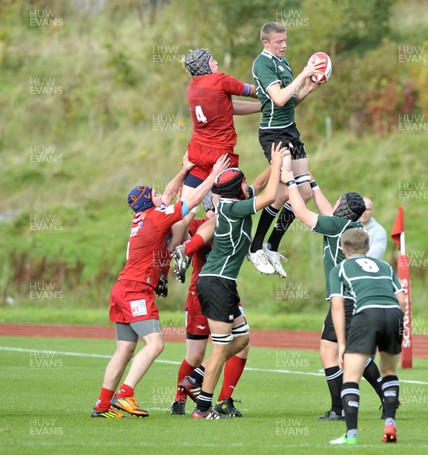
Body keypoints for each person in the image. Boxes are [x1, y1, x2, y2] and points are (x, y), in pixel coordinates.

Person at [91, 154, 229, 419]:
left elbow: (167, 195)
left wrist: (185, 170)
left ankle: (102, 404)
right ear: (149, 202)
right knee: (155, 345)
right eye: (154, 193)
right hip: (136, 290)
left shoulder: (144, 217)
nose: (160, 194)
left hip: (122, 288)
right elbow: (193, 200)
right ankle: (125, 395)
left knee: (125, 349)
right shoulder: (157, 218)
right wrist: (213, 175)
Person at [190, 143, 286, 419]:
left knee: (241, 338)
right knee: (220, 347)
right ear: (238, 190)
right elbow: (268, 196)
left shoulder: (237, 200)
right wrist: (278, 166)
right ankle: (203, 408)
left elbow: (259, 183)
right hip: (216, 282)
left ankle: (197, 376)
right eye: (243, 182)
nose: (248, 184)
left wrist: (277, 160)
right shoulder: (234, 208)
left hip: (223, 283)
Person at [281, 166, 385, 421]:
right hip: (353, 297)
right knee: (334, 351)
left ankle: (361, 403)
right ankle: (351, 405)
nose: (335, 201)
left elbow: (302, 213)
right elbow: (328, 210)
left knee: (347, 353)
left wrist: (290, 181)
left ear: (343, 208)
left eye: (339, 200)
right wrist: (313, 184)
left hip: (346, 299)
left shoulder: (337, 225)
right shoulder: (348, 224)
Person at [246, 21, 321, 278]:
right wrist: (303, 74)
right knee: (285, 189)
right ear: (266, 43)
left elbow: (290, 102)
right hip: (273, 134)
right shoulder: (262, 63)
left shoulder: (283, 62)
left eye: (285, 40)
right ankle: (255, 248)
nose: (284, 45)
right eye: (279, 42)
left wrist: (308, 89)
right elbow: (277, 99)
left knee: (304, 192)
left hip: (291, 131)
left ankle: (271, 245)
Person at [173, 48, 261, 246]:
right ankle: (253, 248)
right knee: (234, 204)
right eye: (213, 60)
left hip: (197, 154)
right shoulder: (220, 80)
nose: (216, 63)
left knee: (185, 212)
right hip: (221, 157)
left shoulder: (192, 88)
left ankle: (170, 255)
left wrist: (262, 107)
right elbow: (252, 91)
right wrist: (273, 94)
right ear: (206, 65)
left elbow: (228, 106)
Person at [328, 228, 407, 445]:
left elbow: (337, 306)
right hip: (393, 314)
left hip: (367, 314)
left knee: (351, 376)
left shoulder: (340, 268)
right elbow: (402, 300)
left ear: (343, 248)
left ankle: (351, 435)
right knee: (389, 371)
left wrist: (342, 343)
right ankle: (390, 422)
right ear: (368, 247)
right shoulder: (384, 266)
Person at [167, 217, 248, 418]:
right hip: (200, 293)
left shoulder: (234, 218)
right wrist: (187, 211)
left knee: (242, 343)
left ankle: (223, 400)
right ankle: (180, 399)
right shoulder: (201, 223)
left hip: (226, 289)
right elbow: (178, 237)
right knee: (195, 354)